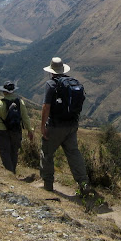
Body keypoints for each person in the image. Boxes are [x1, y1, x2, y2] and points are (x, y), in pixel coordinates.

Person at [40, 57, 90, 193]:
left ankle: (48, 184)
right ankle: (83, 183)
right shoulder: (73, 83)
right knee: (73, 153)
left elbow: (46, 106)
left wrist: (43, 126)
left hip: (55, 126)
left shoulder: (51, 84)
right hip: (72, 125)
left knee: (47, 153)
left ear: (51, 71)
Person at [0, 81, 34, 174]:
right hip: (16, 131)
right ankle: (13, 171)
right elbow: (25, 117)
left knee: (5, 152)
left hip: (2, 131)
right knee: (14, 151)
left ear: (4, 92)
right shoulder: (20, 102)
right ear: (13, 91)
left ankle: (10, 173)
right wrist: (30, 130)